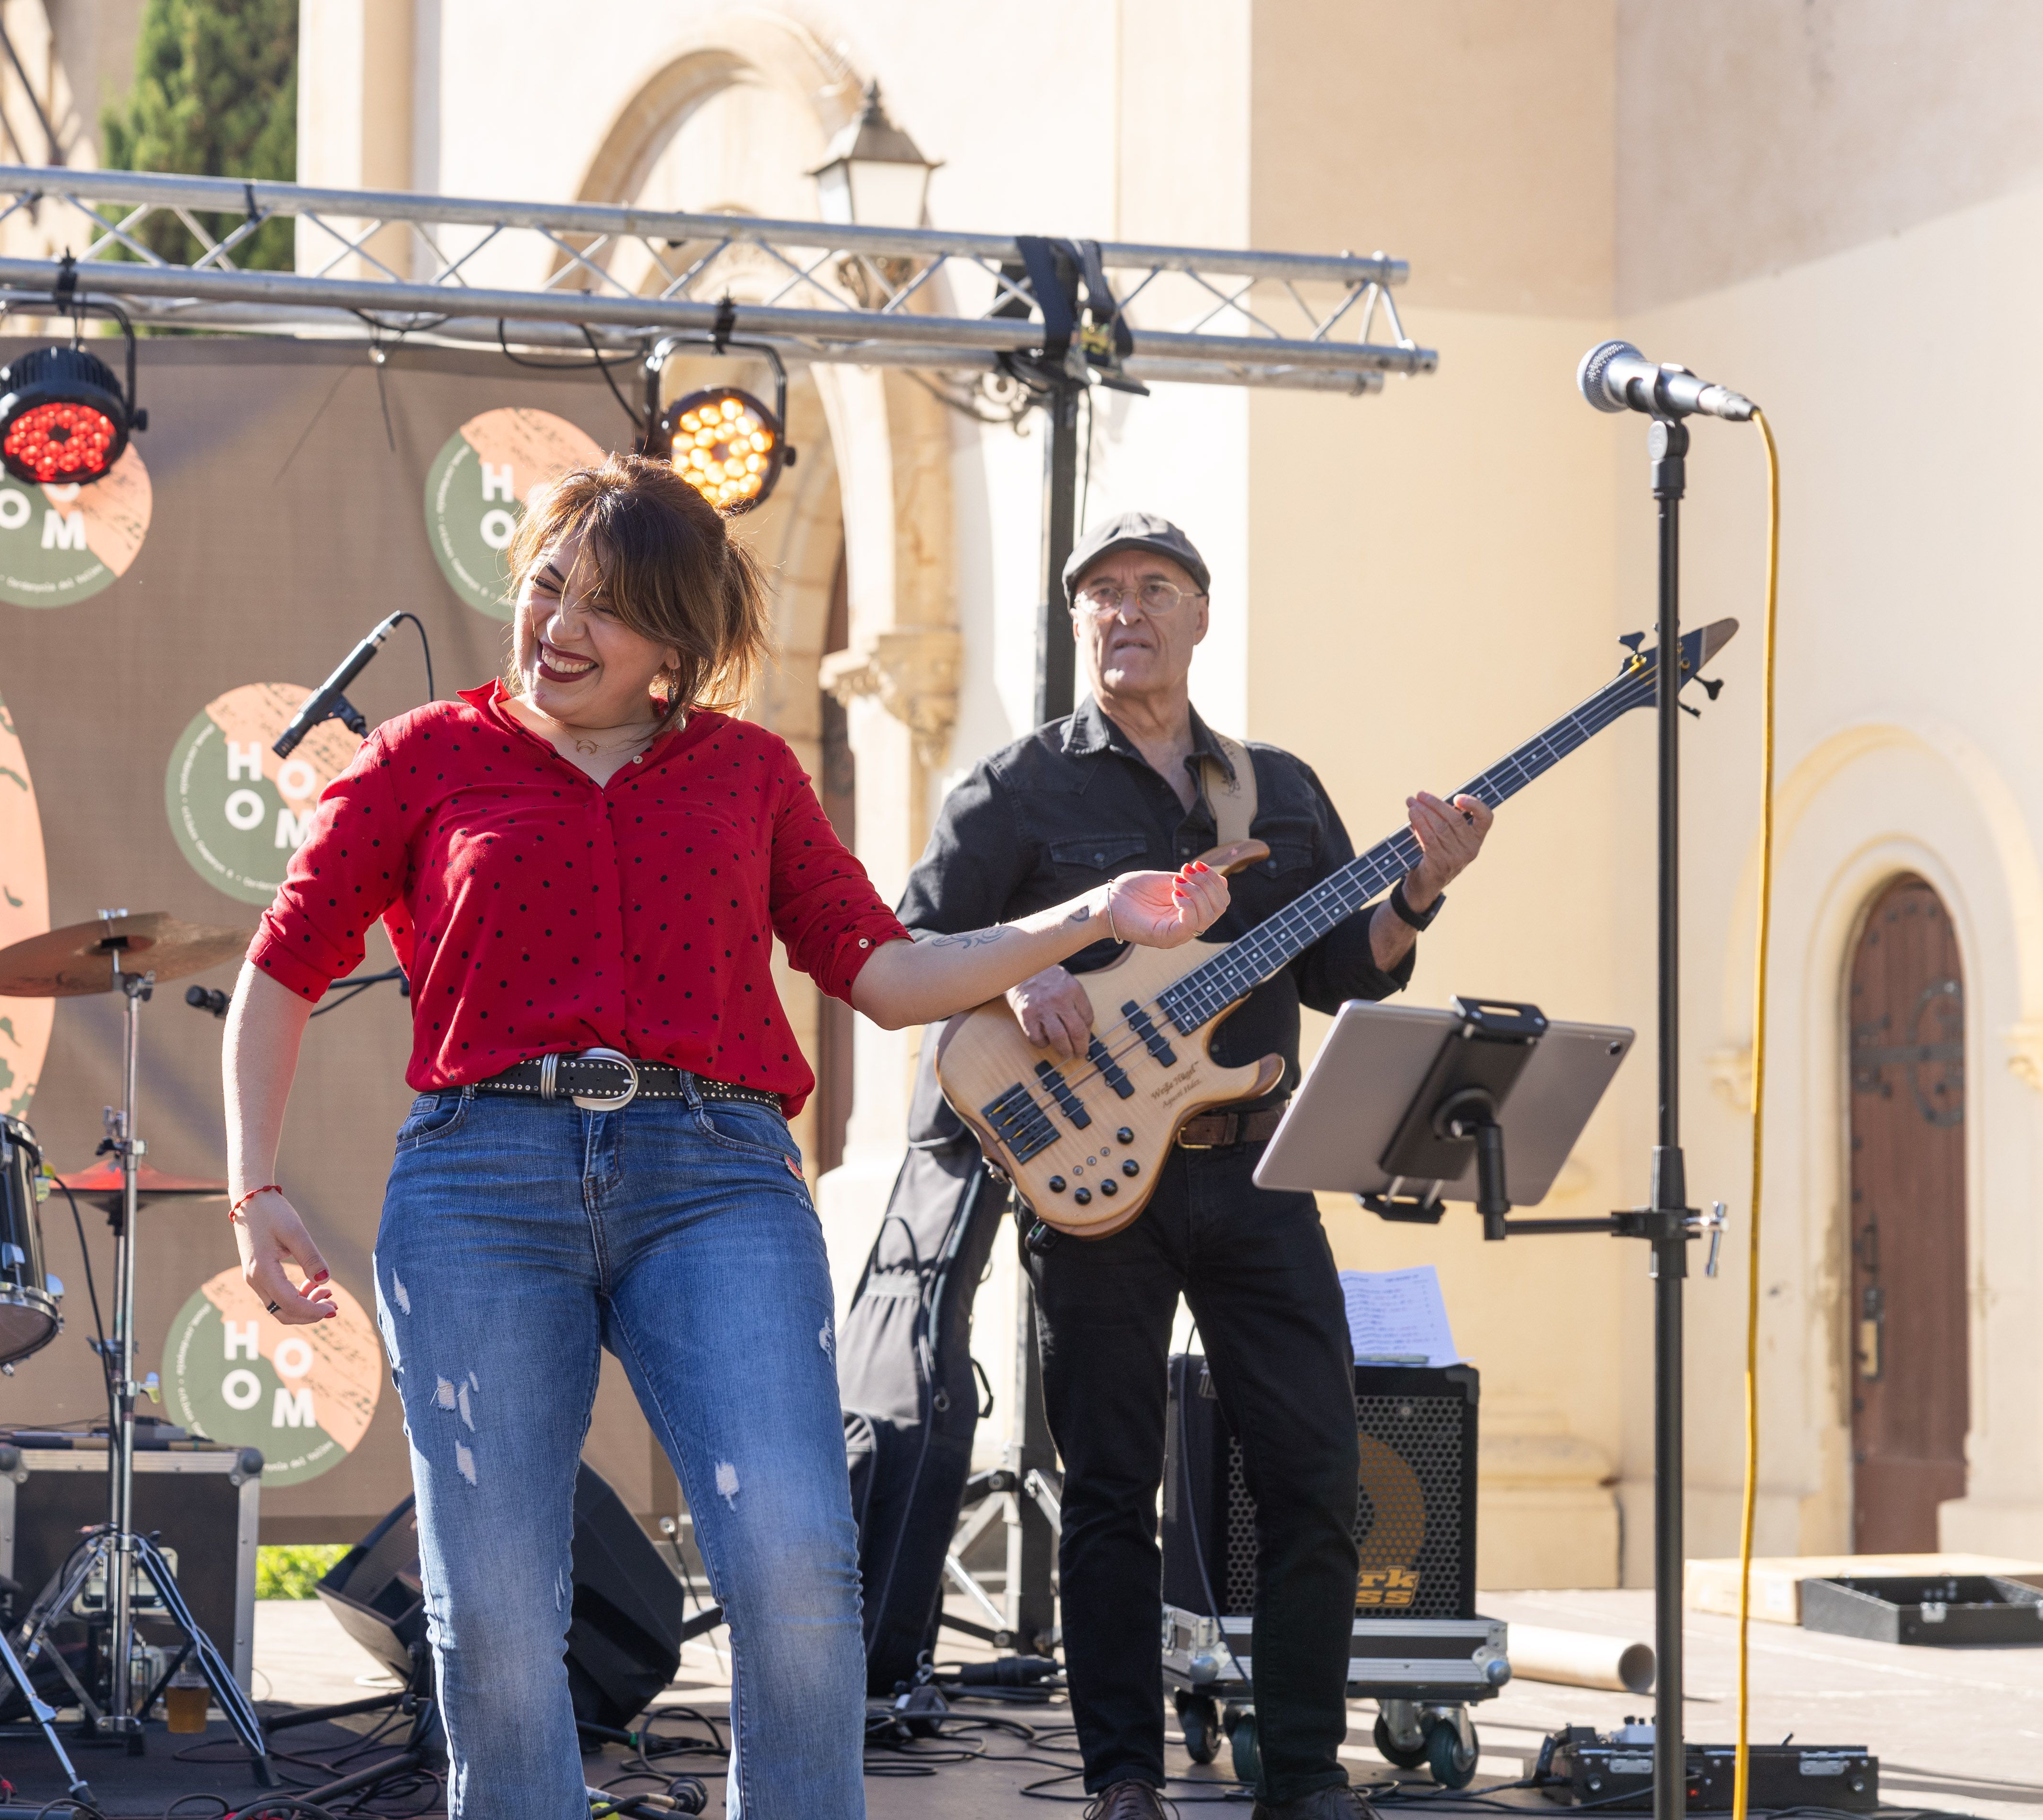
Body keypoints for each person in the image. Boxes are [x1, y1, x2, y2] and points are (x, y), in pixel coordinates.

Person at [220, 457, 1232, 1820]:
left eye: (606, 608)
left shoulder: (746, 772)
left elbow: (886, 972)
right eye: (547, 587)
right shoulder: (424, 754)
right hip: (481, 1177)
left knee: (797, 1566)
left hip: (715, 1175)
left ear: (675, 650)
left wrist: (1095, 913)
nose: (558, 626)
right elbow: (281, 966)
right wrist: (254, 1187)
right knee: (497, 1608)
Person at [891, 512, 1493, 1820]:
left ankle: (1306, 1775)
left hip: (1259, 1170)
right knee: (1111, 1488)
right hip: (1095, 1178)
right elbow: (913, 949)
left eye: (1154, 588)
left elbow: (1341, 973)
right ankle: (1122, 1779)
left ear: (1201, 616)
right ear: (1080, 623)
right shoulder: (1016, 789)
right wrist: (1025, 975)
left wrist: (1416, 896)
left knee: (1316, 1474)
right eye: (1101, 593)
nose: (1126, 611)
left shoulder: (1279, 790)